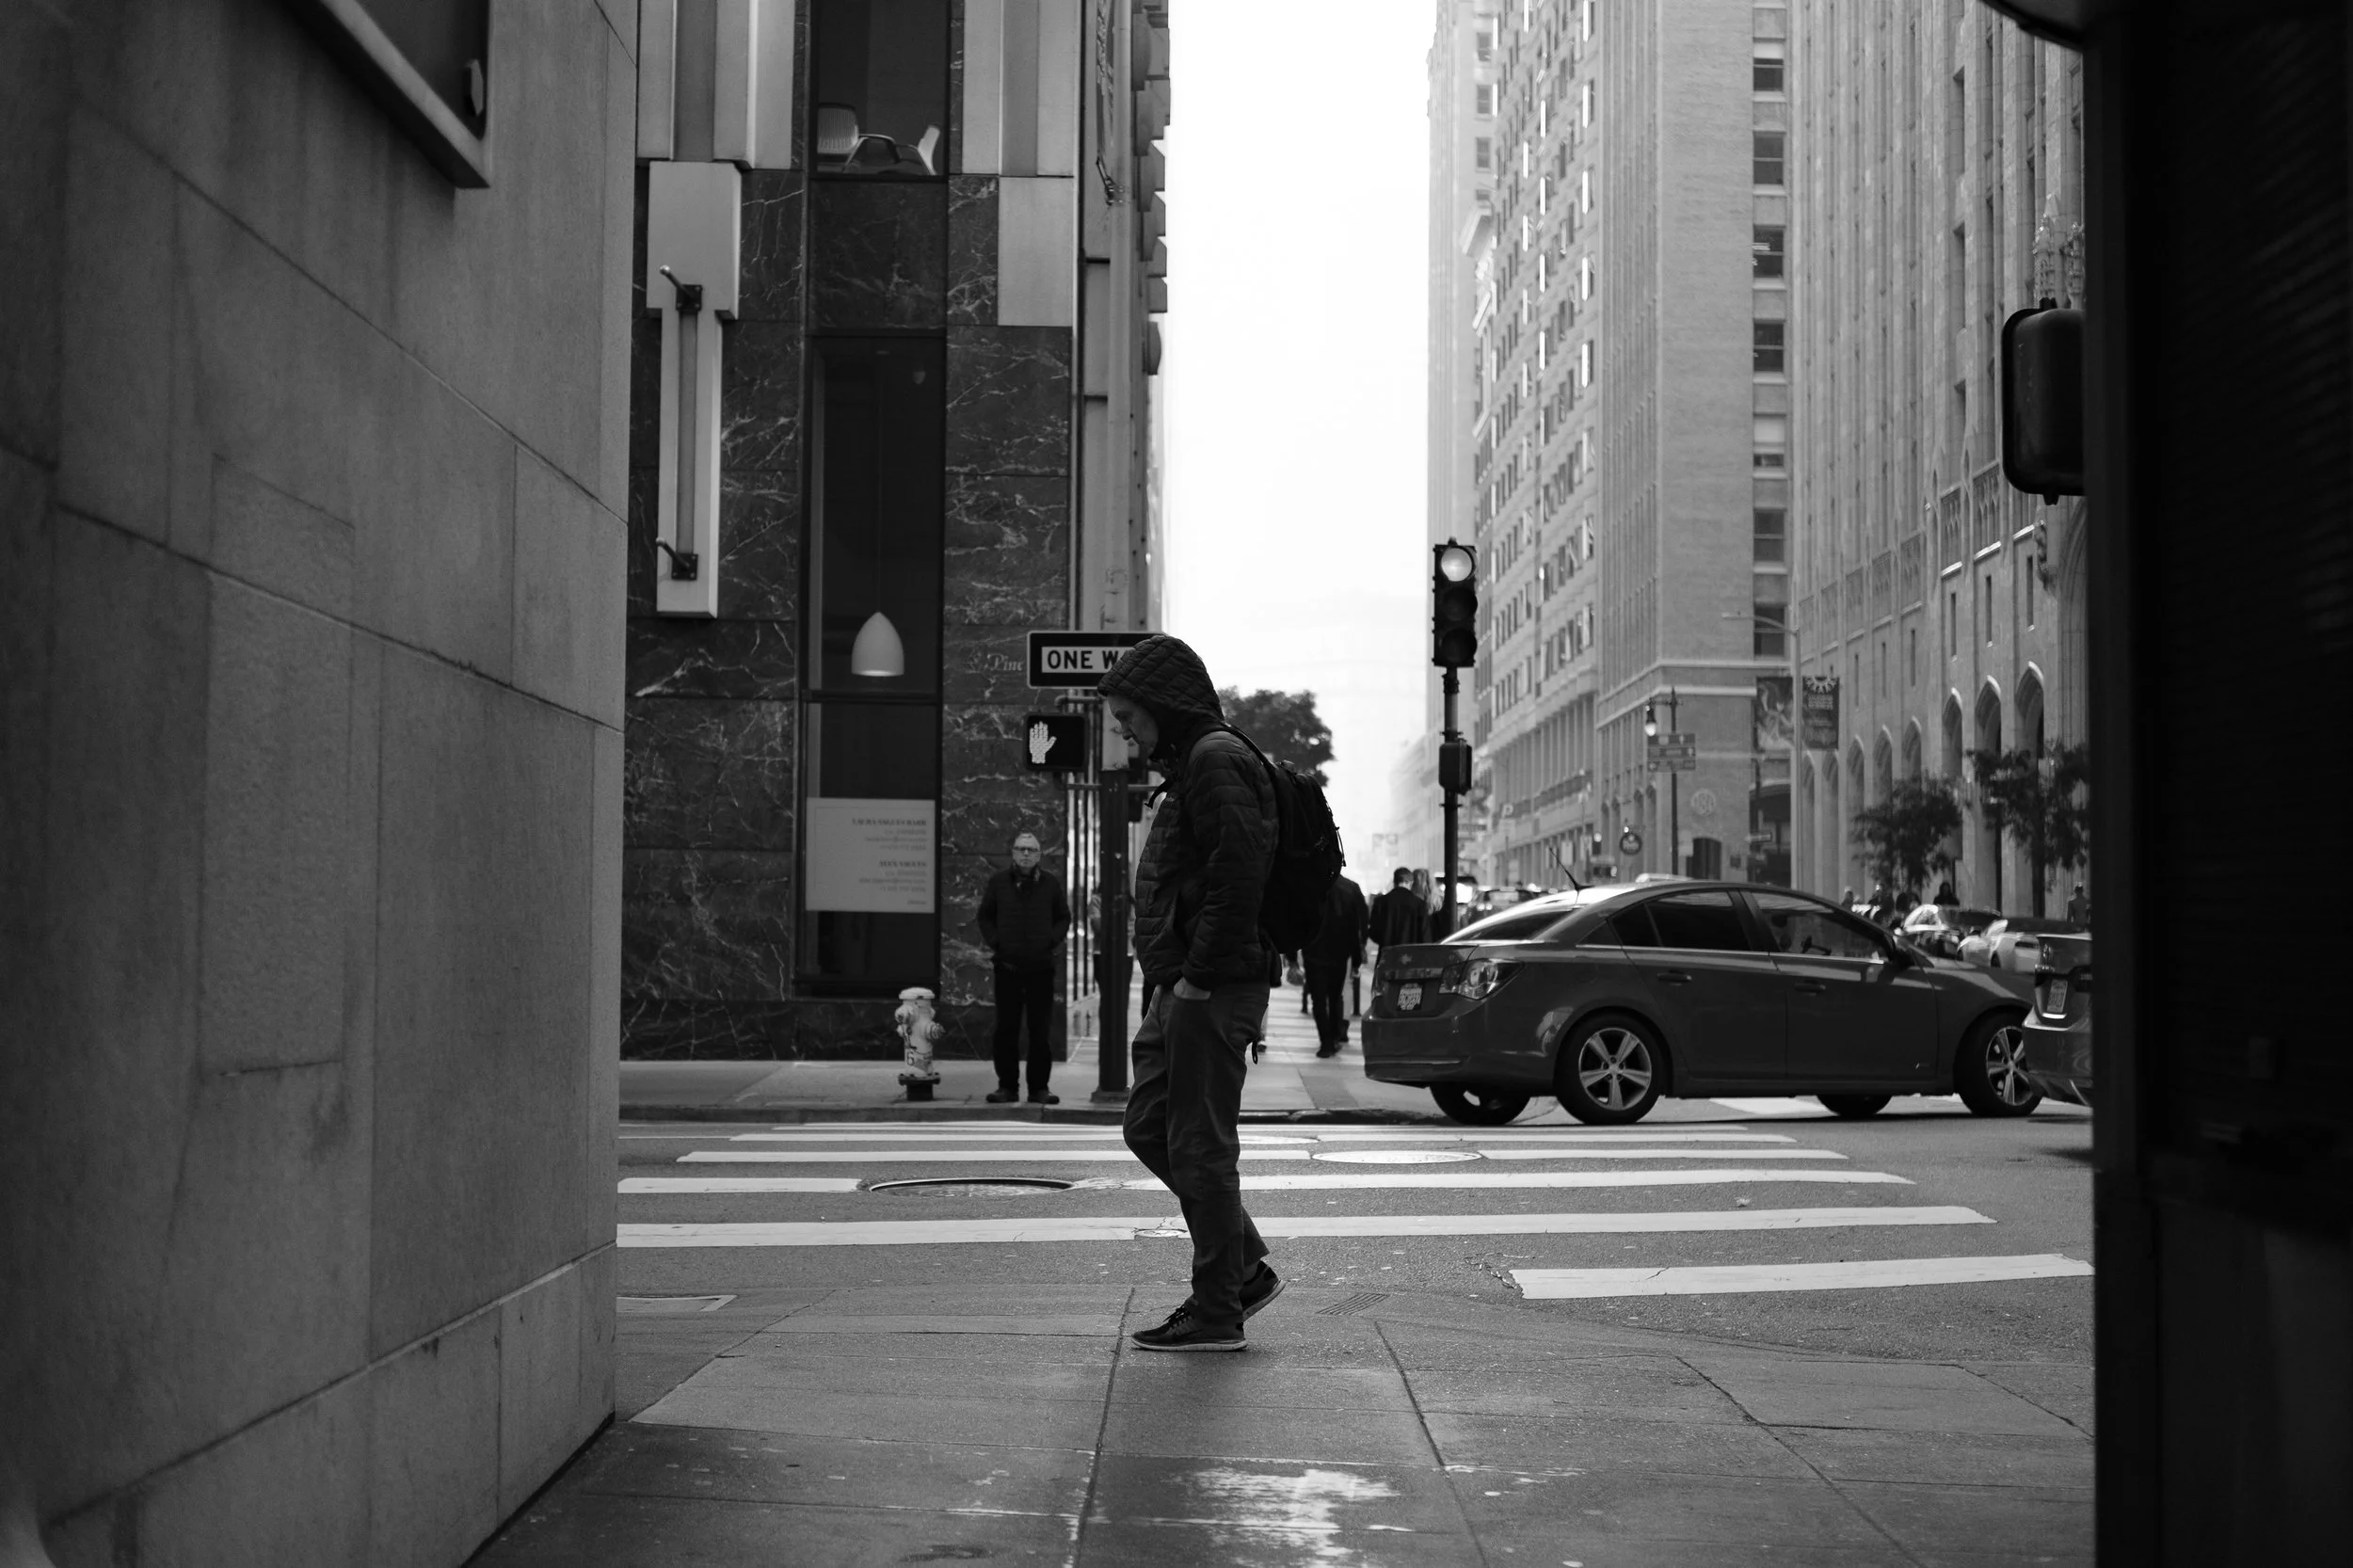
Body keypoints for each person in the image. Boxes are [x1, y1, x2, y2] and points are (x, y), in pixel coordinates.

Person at [1097, 632, 1283, 1352]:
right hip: (1183, 985)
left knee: (1201, 1148)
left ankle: (1216, 1312)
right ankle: (1243, 1269)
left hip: (1212, 987)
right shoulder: (1196, 762)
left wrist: (1200, 977)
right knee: (1148, 1125)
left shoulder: (1216, 759)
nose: (1125, 734)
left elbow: (1241, 874)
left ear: (1162, 705)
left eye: (1128, 719)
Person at [975, 830, 1070, 1105]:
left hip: (1041, 969)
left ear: (1039, 855)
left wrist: (1050, 941)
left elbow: (1063, 917)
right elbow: (985, 916)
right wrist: (998, 943)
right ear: (1013, 853)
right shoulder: (998, 883)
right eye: (1020, 849)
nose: (1026, 853)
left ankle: (1039, 1088)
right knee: (1006, 1029)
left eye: (1031, 849)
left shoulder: (1050, 884)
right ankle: (1007, 1087)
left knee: (1040, 1031)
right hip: (1008, 968)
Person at [1302, 872, 1369, 1057]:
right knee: (1336, 996)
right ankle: (1335, 1036)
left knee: (1318, 1000)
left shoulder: (1310, 886)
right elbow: (1357, 926)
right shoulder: (1351, 888)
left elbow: (1299, 920)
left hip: (1313, 952)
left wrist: (1292, 956)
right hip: (1339, 952)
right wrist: (1356, 959)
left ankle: (1326, 1042)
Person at [1368, 867, 1430, 952]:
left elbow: (1373, 931)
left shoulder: (1380, 902)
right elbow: (1424, 934)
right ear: (1410, 883)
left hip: (1387, 954)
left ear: (1395, 882)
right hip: (1411, 955)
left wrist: (1384, 940)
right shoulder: (1419, 904)